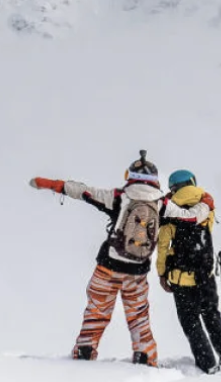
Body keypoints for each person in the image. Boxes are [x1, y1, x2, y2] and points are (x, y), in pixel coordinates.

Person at [30, 151, 167, 365]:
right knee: (139, 316)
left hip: (108, 266)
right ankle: (145, 356)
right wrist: (205, 204)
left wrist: (52, 184)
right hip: (137, 272)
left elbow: (84, 191)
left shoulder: (118, 197)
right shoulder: (162, 204)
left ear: (130, 176)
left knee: (97, 310)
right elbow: (189, 216)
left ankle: (85, 350)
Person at [156, 169, 221, 373]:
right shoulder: (206, 204)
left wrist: (162, 274)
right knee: (212, 316)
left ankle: (208, 364)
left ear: (173, 188)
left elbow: (163, 246)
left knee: (191, 322)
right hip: (205, 275)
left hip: (181, 279)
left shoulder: (169, 211)